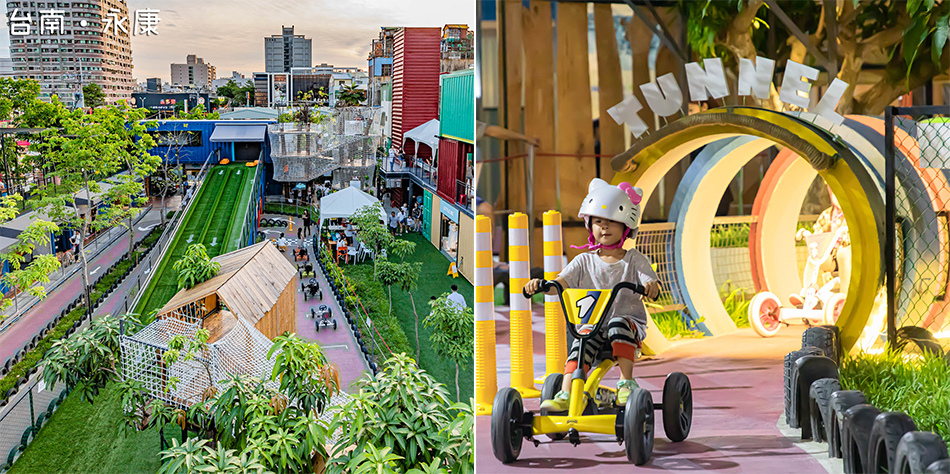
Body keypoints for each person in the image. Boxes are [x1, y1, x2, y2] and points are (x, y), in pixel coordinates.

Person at [525, 178, 660, 411]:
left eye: (611, 222)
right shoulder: (583, 261)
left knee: (618, 323)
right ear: (590, 225)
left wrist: (651, 286)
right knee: (581, 338)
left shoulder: (634, 259)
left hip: (627, 324)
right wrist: (542, 285)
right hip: (593, 324)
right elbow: (561, 281)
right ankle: (567, 391)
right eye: (598, 221)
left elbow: (651, 282)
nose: (604, 227)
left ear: (625, 227)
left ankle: (626, 382)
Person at [791, 187, 851, 310]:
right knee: (814, 256)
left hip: (849, 255)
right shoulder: (827, 215)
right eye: (835, 194)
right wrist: (807, 235)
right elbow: (818, 235)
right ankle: (807, 292)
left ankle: (844, 297)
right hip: (831, 257)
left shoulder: (852, 215)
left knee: (843, 254)